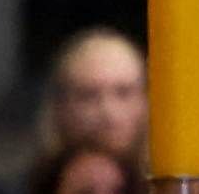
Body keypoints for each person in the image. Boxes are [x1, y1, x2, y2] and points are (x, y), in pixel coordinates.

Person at [39, 26, 146, 174]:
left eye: (123, 93)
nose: (108, 112)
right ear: (60, 106)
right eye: (88, 95)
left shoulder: (177, 191)